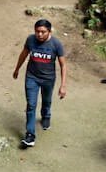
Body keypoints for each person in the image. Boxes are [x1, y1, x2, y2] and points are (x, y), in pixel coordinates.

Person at [12, 19, 67, 148]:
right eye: (37, 31)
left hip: (48, 79)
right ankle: (30, 135)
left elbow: (63, 65)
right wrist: (17, 69)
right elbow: (24, 54)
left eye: (43, 32)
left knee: (46, 100)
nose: (40, 35)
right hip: (32, 77)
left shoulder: (56, 44)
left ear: (49, 31)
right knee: (31, 105)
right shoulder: (30, 40)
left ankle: (46, 115)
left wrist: (63, 85)